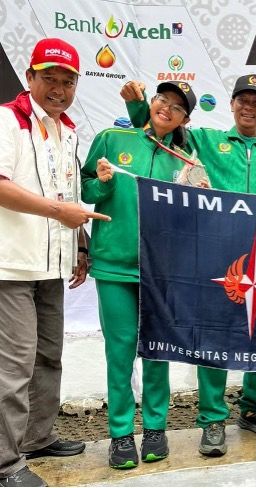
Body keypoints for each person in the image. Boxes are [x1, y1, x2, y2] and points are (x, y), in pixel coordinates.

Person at [122, 74, 256, 456]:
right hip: (219, 256)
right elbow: (162, 133)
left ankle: (252, 408)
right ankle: (212, 420)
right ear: (232, 104)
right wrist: (138, 108)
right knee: (214, 337)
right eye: (243, 101)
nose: (249, 108)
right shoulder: (208, 141)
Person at [0, 38, 110, 487]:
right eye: (50, 79)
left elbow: (69, 197)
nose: (59, 89)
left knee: (48, 356)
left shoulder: (69, 130)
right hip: (10, 266)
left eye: (67, 82)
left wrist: (79, 245)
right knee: (13, 366)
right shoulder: (8, 120)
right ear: (30, 78)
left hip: (51, 265)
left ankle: (36, 437)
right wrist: (58, 213)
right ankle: (4, 465)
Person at [81, 81, 198, 469]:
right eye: (163, 99)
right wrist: (101, 182)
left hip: (160, 272)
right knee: (120, 351)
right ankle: (119, 435)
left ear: (184, 119)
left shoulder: (183, 159)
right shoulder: (112, 138)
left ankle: (154, 429)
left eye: (178, 107)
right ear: (152, 102)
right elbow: (85, 189)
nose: (167, 108)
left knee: (157, 351)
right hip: (114, 266)